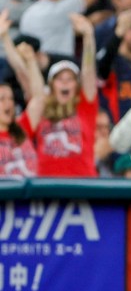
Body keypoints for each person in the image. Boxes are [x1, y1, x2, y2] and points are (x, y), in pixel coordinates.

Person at [25, 14, 99, 177]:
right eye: (59, 79)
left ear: (77, 86)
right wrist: (29, 59)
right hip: (46, 186)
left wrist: (88, 36)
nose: (65, 83)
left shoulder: (85, 108)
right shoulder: (41, 108)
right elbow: (29, 82)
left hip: (83, 183)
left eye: (70, 79)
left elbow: (88, 70)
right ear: (51, 86)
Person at [0, 20, 44, 178]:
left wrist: (31, 61)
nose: (8, 103)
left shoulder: (22, 127)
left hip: (30, 200)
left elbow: (38, 97)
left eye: (10, 98)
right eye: (2, 99)